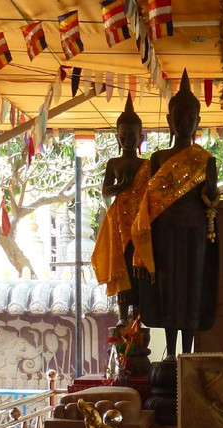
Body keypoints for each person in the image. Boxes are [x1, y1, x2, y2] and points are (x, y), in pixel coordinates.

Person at [131, 70, 219, 358]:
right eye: (179, 116)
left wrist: (212, 191)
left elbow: (211, 202)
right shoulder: (158, 158)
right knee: (168, 287)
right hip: (165, 232)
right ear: (169, 121)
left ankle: (188, 353)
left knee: (192, 288)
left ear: (198, 122)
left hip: (195, 230)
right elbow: (147, 203)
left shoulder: (205, 160)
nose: (184, 121)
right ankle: (171, 353)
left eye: (190, 116)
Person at [91, 94, 149, 311]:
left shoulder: (146, 164)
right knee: (121, 264)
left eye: (132, 135)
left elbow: (151, 194)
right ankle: (123, 316)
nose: (127, 139)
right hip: (119, 221)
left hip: (140, 220)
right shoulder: (113, 163)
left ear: (140, 137)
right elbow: (105, 192)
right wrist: (121, 187)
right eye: (123, 136)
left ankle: (139, 315)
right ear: (117, 138)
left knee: (140, 266)